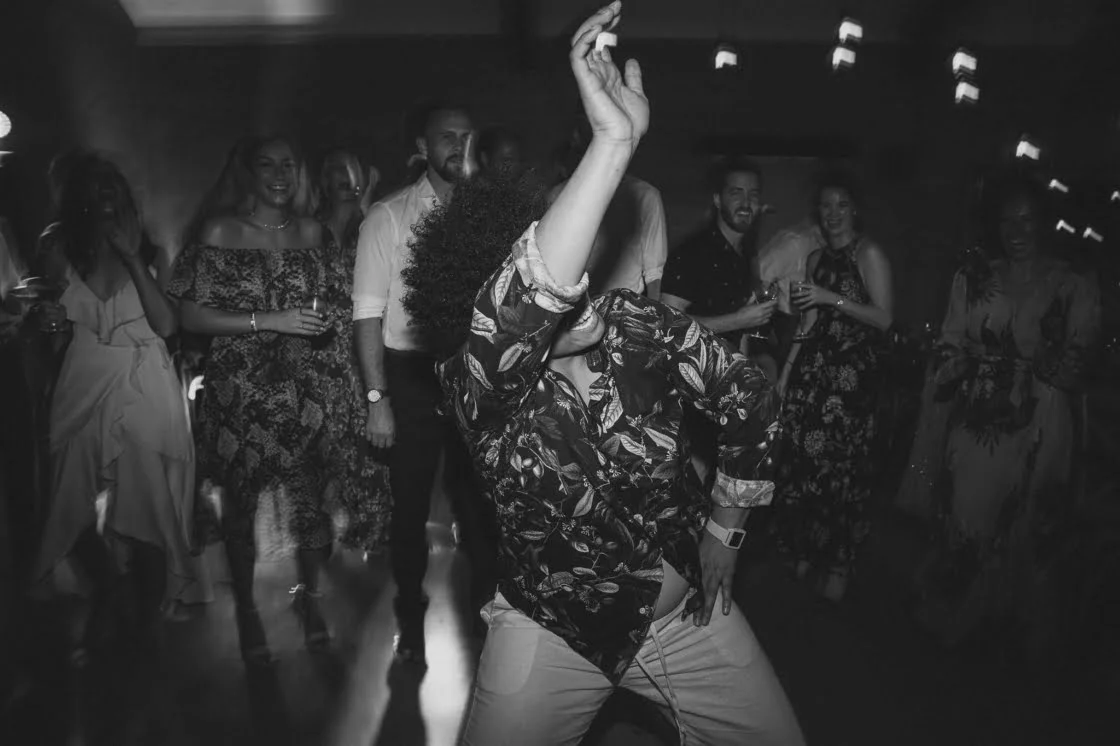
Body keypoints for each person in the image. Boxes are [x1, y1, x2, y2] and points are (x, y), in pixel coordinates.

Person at [404, 5, 804, 743]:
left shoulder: (636, 324)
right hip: (554, 637)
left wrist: (727, 528)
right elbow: (526, 299)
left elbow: (749, 397)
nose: (577, 285)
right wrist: (611, 146)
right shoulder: (475, 385)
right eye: (553, 283)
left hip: (685, 621)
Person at [898, 177, 1100, 652]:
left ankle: (1001, 616)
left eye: (1026, 219)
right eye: (1007, 220)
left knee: (1022, 520)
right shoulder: (973, 279)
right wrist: (951, 363)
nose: (1016, 231)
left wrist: (1061, 368)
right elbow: (950, 341)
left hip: (1042, 417)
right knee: (966, 510)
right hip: (978, 415)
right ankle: (956, 609)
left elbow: (1082, 361)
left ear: (1044, 222)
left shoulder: (1072, 284)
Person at [169, 135, 334, 664]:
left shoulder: (313, 232)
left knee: (310, 508)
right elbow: (187, 315)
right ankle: (247, 610)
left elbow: (335, 301)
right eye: (268, 164)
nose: (280, 174)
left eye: (289, 163)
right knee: (241, 507)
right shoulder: (221, 231)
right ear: (248, 172)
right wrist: (270, 320)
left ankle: (309, 599)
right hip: (239, 388)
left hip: (303, 389)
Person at [31, 154, 196, 658]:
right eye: (95, 188)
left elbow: (167, 325)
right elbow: (53, 329)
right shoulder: (59, 248)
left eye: (113, 187)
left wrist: (131, 258)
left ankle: (142, 626)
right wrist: (47, 323)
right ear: (79, 199)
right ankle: (109, 584)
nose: (106, 195)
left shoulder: (152, 250)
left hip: (144, 382)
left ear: (126, 196)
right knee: (66, 505)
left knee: (146, 510)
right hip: (81, 378)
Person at [353, 101, 497, 662]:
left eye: (467, 135)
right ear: (422, 147)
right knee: (410, 509)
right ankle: (410, 618)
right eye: (447, 136)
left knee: (481, 504)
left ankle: (487, 618)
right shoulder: (387, 217)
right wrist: (377, 399)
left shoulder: (486, 216)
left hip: (472, 374)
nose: (459, 146)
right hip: (410, 377)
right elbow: (367, 315)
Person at [770, 173, 893, 603]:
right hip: (813, 375)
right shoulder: (815, 258)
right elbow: (806, 322)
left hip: (851, 381)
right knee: (805, 470)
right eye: (826, 205)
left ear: (854, 208)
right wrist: (785, 375)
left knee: (842, 474)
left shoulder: (869, 253)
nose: (833, 213)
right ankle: (806, 551)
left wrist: (830, 297)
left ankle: (837, 564)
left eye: (841, 204)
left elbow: (884, 318)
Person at [315, 150, 392, 556]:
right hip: (320, 355)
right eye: (338, 175)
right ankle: (321, 540)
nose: (347, 182)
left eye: (353, 175)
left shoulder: (369, 228)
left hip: (363, 353)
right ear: (323, 182)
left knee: (369, 450)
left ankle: (372, 542)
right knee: (326, 453)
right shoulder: (309, 231)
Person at [661, 157, 778, 376]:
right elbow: (668, 325)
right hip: (690, 381)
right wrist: (737, 320)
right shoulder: (691, 253)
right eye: (736, 193)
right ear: (717, 200)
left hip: (726, 378)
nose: (746, 203)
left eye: (753, 195)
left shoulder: (744, 254)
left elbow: (741, 332)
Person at [551, 120, 667, 299]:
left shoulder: (645, 195)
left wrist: (653, 312)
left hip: (623, 307)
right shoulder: (558, 195)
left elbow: (654, 271)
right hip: (573, 305)